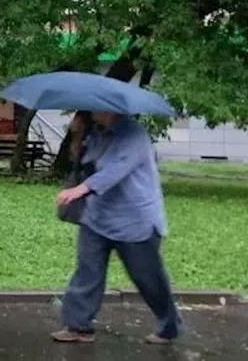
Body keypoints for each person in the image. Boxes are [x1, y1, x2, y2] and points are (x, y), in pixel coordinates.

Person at [52, 111, 181, 344]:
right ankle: (78, 326)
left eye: (93, 107)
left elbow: (115, 171)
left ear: (109, 109)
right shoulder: (95, 134)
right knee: (87, 272)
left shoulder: (135, 135)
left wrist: (79, 190)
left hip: (134, 221)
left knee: (148, 278)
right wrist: (77, 136)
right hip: (97, 217)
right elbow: (84, 165)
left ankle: (168, 325)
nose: (89, 111)